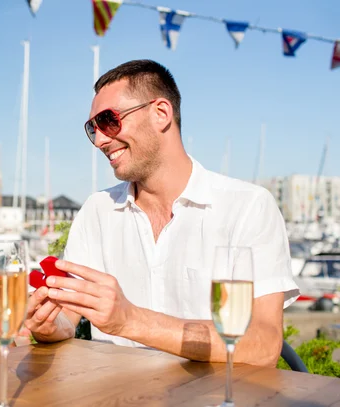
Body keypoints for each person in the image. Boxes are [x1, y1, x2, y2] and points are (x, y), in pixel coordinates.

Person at [24, 60, 299, 367]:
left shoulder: (248, 207)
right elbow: (68, 317)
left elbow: (262, 345)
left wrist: (130, 321)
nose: (100, 139)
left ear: (161, 114)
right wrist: (50, 326)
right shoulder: (96, 211)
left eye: (108, 120)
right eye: (93, 128)